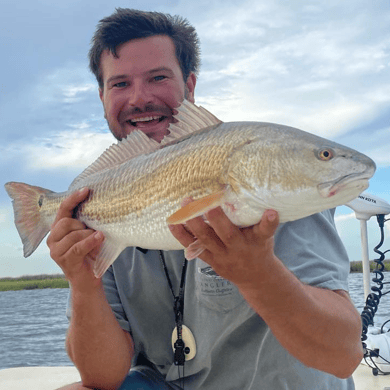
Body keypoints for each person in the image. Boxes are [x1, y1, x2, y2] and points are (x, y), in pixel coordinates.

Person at [48, 8, 363, 390]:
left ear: (190, 85)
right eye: (119, 84)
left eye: (158, 77)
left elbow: (343, 355)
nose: (139, 98)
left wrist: (259, 274)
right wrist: (83, 283)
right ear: (101, 97)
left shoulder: (283, 196)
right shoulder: (103, 201)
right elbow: (102, 377)